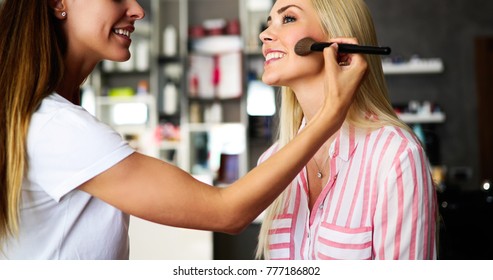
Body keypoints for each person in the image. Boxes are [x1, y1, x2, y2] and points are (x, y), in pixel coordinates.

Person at [0, 0, 367, 259]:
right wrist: (328, 116)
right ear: (57, 2)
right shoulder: (57, 127)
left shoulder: (48, 119)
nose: (138, 9)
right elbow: (227, 212)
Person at [255, 0, 437, 260]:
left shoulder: (396, 156)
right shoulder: (270, 162)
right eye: (269, 21)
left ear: (336, 40)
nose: (265, 33)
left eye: (289, 18)